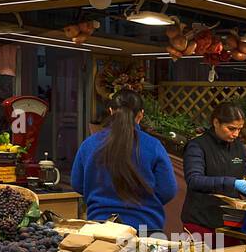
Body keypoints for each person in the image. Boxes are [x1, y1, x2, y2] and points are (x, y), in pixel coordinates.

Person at [71, 90, 178, 235]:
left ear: (110, 111)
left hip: (100, 228)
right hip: (146, 228)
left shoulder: (89, 144)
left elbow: (77, 184)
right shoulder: (153, 145)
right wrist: (145, 201)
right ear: (140, 115)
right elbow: (168, 190)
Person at [181, 102, 246, 237]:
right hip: (201, 222)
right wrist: (232, 183)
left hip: (231, 224)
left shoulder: (239, 148)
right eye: (231, 128)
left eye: (239, 129)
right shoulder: (197, 146)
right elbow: (194, 180)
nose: (236, 134)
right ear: (216, 122)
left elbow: (245, 173)